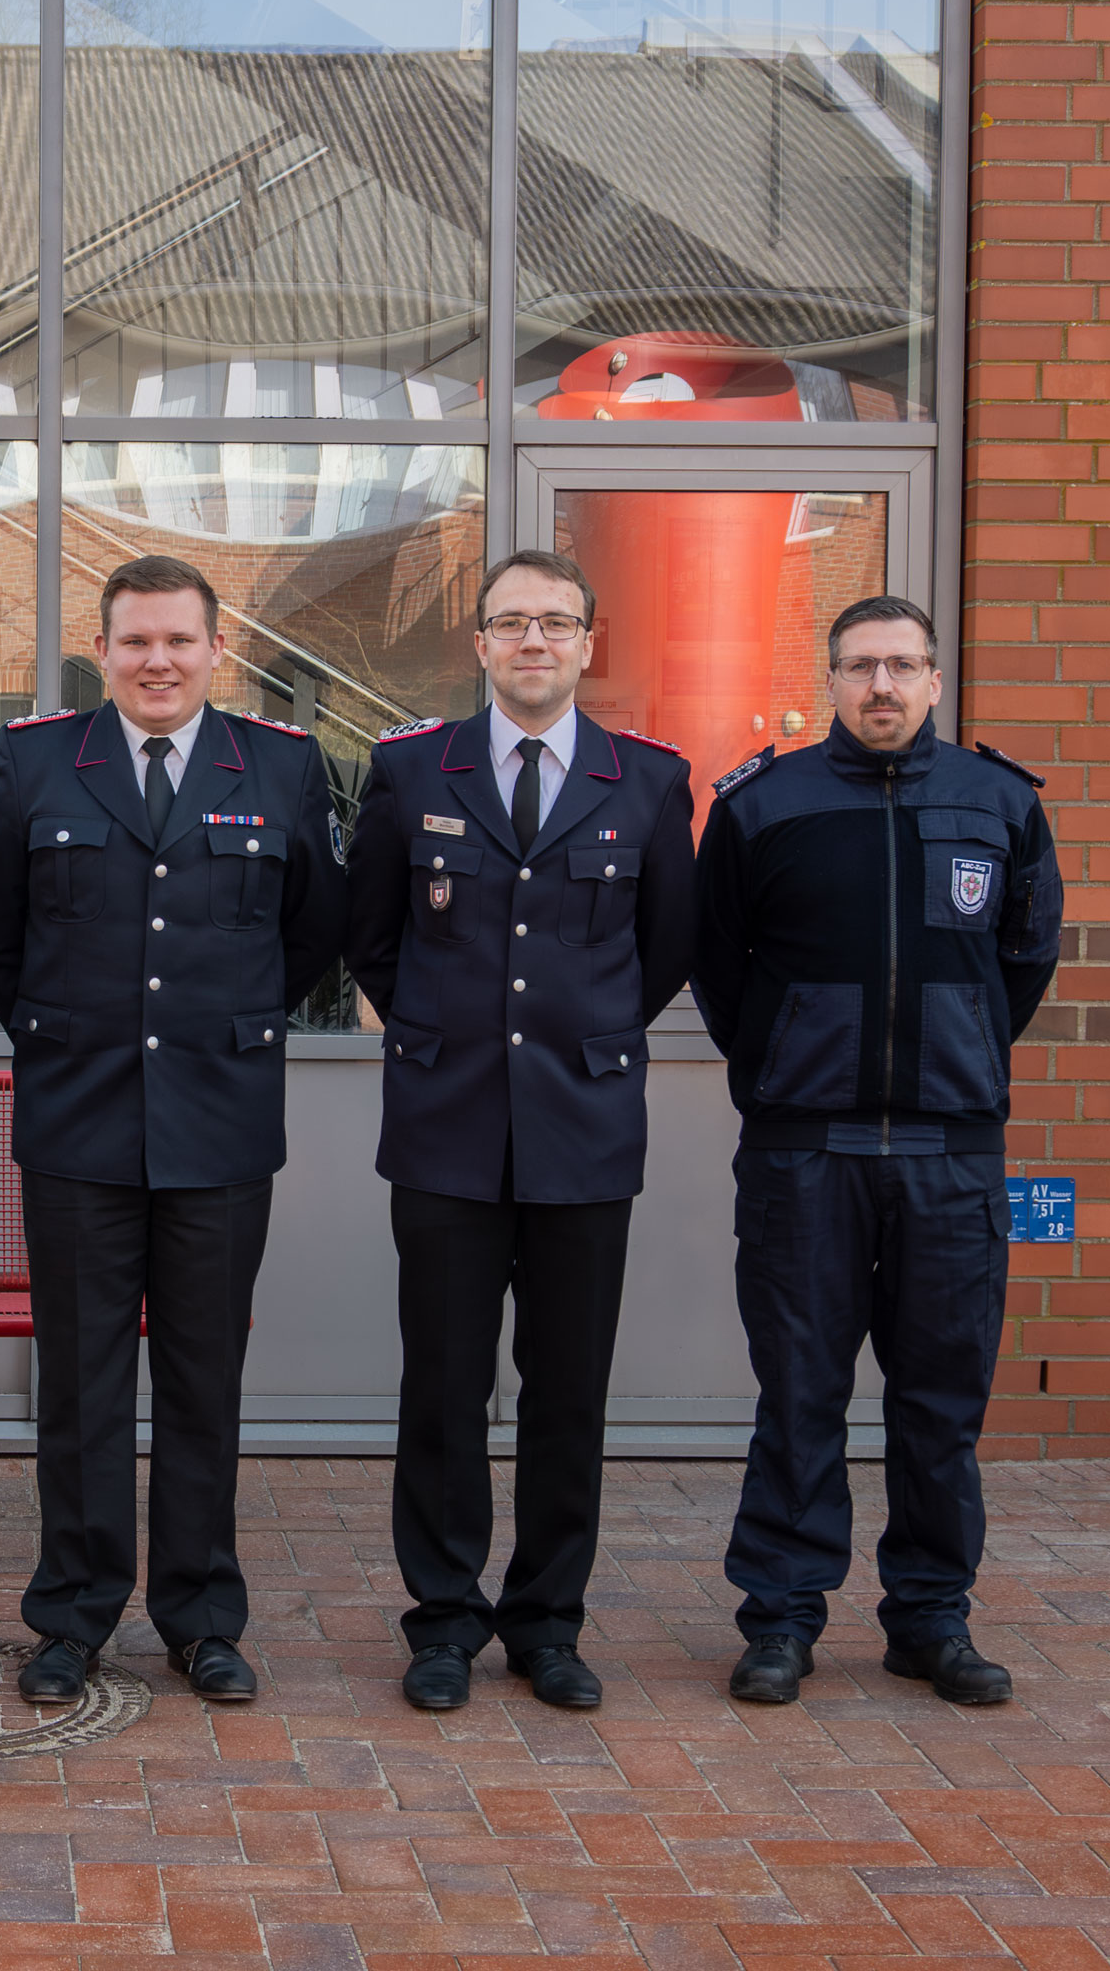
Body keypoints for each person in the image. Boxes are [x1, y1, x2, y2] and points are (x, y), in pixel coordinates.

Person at [0, 553, 347, 1706]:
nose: (158, 660)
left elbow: (311, 927)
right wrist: (71, 1033)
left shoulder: (280, 764)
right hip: (79, 1122)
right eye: (136, 640)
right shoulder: (37, 761)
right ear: (103, 649)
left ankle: (201, 1614)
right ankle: (73, 1614)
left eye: (180, 639)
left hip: (219, 1121)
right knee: (80, 1384)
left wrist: (222, 1025)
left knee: (201, 1379)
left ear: (217, 650)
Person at [341, 548, 695, 1715]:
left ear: (588, 642)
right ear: (481, 642)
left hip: (582, 1131)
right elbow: (373, 935)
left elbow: (664, 947)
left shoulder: (649, 781)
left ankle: (547, 1623)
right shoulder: (409, 771)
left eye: (555, 621)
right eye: (511, 622)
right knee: (443, 1389)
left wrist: (581, 1035)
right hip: (445, 1129)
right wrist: (445, 1033)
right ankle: (444, 1620)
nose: (533, 640)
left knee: (567, 1392)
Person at [694, 595, 1063, 1707]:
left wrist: (960, 1052)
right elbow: (718, 965)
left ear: (936, 679)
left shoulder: (1000, 803)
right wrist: (786, 1064)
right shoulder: (766, 805)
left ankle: (931, 1619)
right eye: (861, 666)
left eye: (903, 665)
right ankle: (782, 1619)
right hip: (806, 1152)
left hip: (952, 1155)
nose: (883, 686)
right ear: (832, 679)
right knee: (798, 1393)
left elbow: (1026, 959)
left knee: (941, 1402)